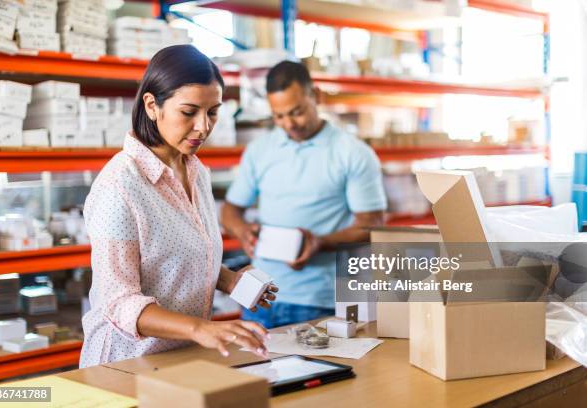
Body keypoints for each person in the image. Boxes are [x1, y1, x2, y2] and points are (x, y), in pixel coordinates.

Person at [80, 45, 277, 368]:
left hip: (182, 358)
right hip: (126, 364)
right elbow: (118, 301)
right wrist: (202, 329)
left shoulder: (196, 171)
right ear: (152, 105)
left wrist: (230, 280)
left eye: (212, 112)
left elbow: (179, 257)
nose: (203, 126)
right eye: (189, 112)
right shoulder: (119, 187)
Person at [221, 61, 387, 328]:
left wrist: (319, 242)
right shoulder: (260, 149)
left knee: (318, 370)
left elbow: (371, 225)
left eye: (296, 112)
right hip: (257, 295)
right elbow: (230, 210)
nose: (289, 123)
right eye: (279, 116)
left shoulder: (352, 153)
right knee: (251, 370)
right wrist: (243, 232)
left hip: (319, 301)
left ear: (316, 96)